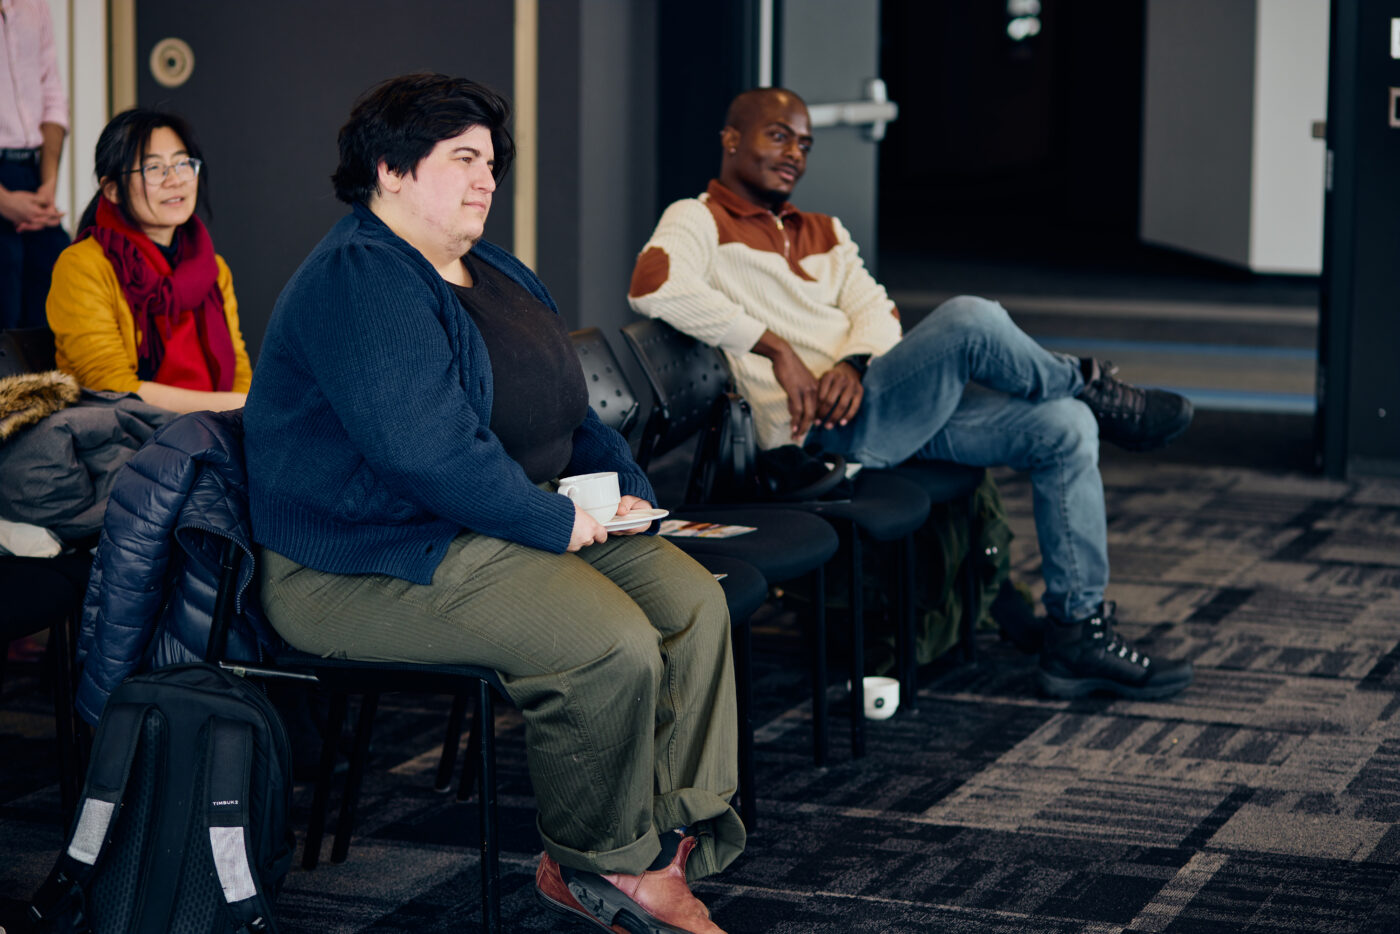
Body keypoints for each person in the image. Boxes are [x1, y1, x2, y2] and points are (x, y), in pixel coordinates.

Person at [243, 74, 741, 934]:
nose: (486, 179)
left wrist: (628, 489)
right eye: (463, 158)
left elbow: (571, 411)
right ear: (390, 169)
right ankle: (601, 859)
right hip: (362, 559)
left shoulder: (496, 269)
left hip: (486, 517)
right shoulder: (361, 277)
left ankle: (667, 834)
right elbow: (425, 454)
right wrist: (551, 520)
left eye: (491, 162)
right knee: (606, 643)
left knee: (692, 604)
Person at [629, 87, 1195, 701]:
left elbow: (880, 312)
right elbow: (655, 287)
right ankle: (1090, 384)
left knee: (1067, 428)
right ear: (731, 139)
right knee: (972, 319)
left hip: (876, 407)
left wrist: (853, 363)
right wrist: (776, 349)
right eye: (779, 136)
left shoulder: (824, 231)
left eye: (805, 144)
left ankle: (1076, 633)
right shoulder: (697, 219)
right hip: (814, 436)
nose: (794, 153)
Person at [46, 109, 251, 413]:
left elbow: (240, 375)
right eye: (153, 168)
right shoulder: (82, 266)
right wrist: (233, 409)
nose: (175, 180)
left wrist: (239, 414)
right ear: (112, 189)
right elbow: (111, 389)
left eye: (183, 163)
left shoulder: (214, 269)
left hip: (217, 429)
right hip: (132, 434)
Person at [0, 0, 71, 329]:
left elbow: (52, 93)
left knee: (57, 284)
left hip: (33, 172)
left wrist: (49, 182)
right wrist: (3, 201)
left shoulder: (34, 4)